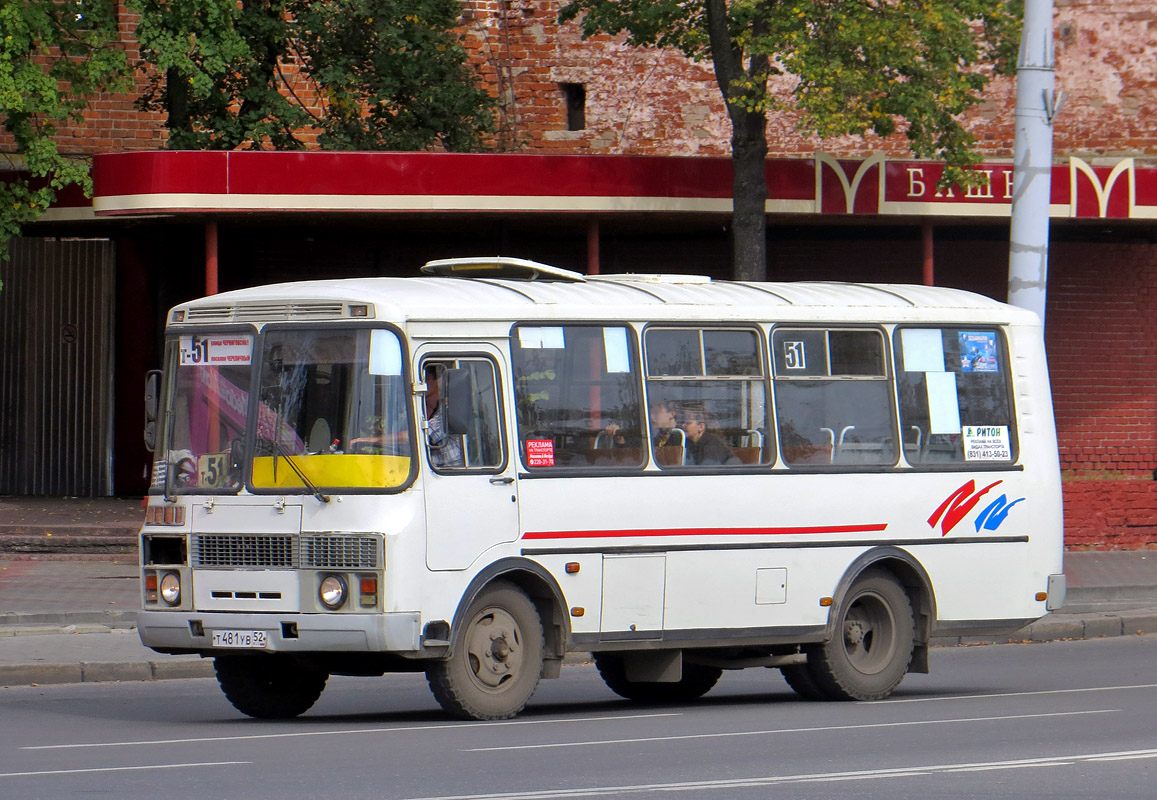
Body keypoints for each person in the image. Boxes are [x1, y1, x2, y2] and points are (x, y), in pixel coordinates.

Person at [423, 363, 464, 468]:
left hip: (458, 471)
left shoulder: (446, 410)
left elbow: (420, 434)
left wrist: (376, 440)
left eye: (424, 380)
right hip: (442, 470)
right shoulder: (428, 409)